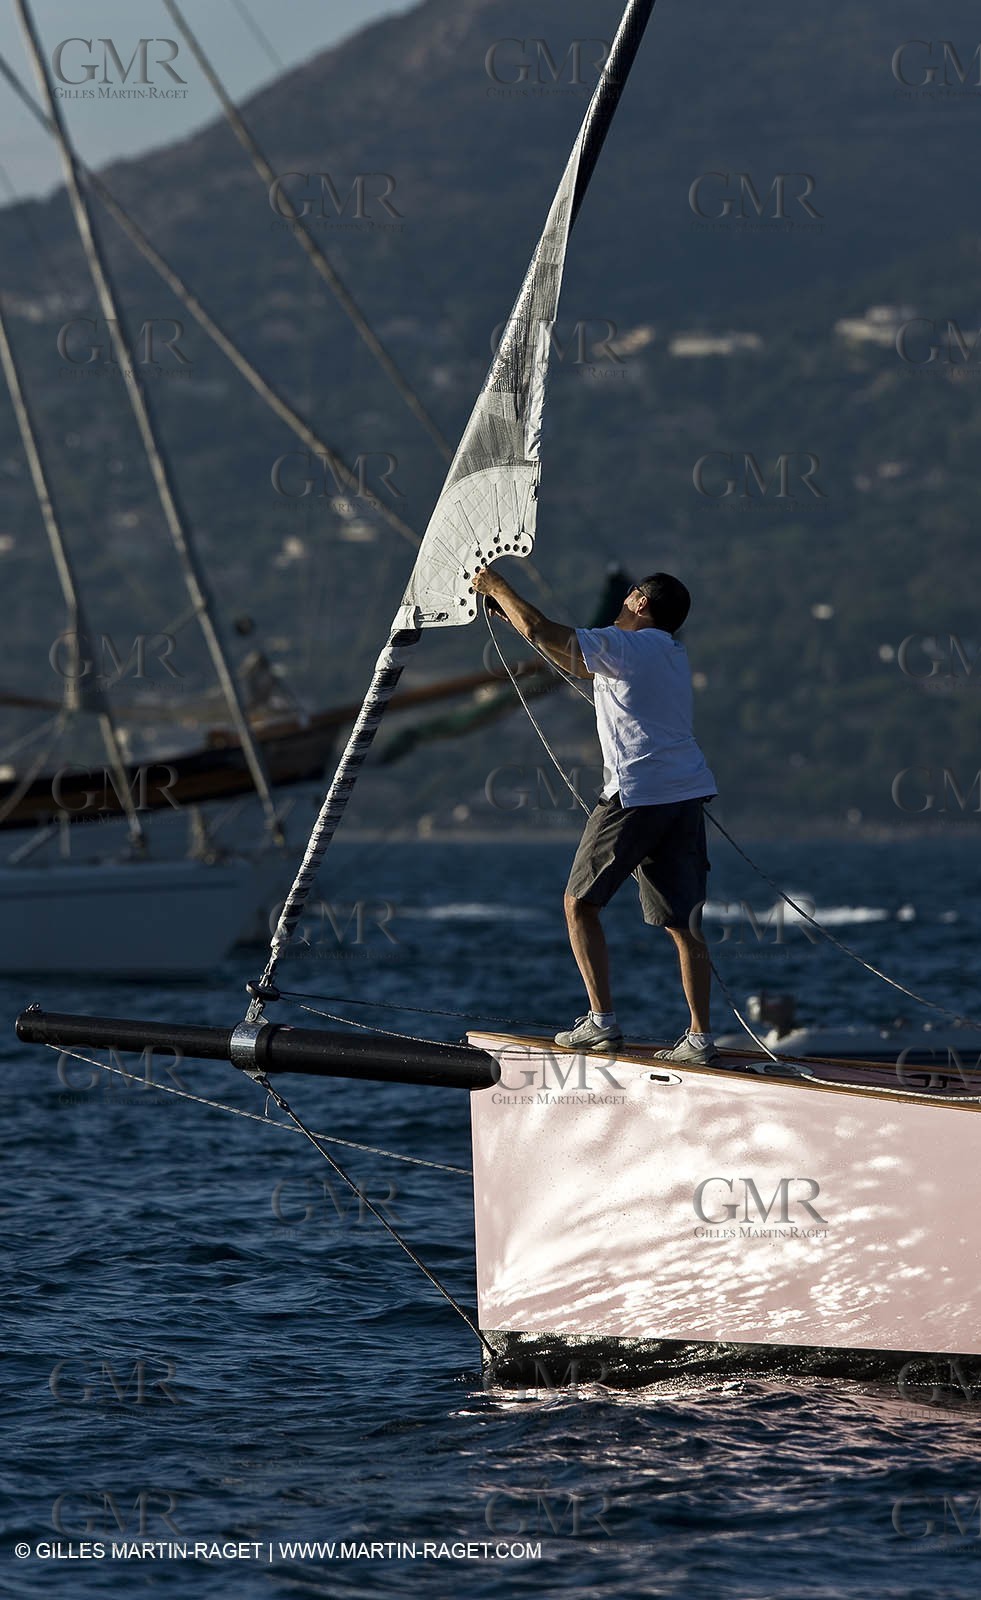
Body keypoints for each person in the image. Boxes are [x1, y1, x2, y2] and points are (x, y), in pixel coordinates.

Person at [472, 567, 718, 1064]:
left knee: (579, 904)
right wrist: (512, 616)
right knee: (684, 924)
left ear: (641, 603)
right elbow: (568, 656)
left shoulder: (626, 646)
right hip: (685, 794)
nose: (622, 600)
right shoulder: (669, 652)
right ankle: (699, 1038)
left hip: (636, 796)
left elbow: (543, 631)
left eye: (630, 595)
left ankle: (601, 1023)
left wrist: (496, 586)